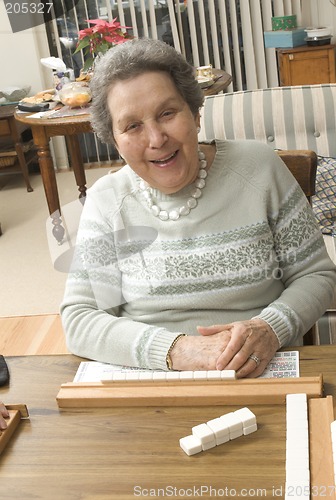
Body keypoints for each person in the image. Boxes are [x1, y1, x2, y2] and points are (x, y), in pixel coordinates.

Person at [60, 38, 336, 378]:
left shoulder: (259, 169)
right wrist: (176, 349)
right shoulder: (106, 201)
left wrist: (270, 328)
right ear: (114, 140)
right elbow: (80, 318)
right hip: (150, 374)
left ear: (195, 113)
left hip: (258, 367)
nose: (156, 139)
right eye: (132, 126)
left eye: (167, 113)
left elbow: (316, 274)